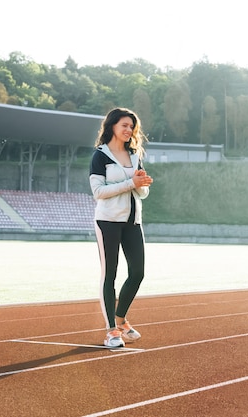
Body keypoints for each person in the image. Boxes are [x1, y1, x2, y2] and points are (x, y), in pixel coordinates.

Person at [89, 107, 153, 348]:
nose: (129, 130)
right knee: (110, 275)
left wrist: (141, 184)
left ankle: (121, 318)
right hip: (108, 222)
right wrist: (131, 183)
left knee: (138, 273)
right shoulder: (100, 156)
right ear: (112, 126)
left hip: (132, 221)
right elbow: (98, 192)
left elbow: (142, 193)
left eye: (132, 127)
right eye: (124, 125)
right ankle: (111, 332)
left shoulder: (135, 154)